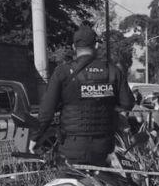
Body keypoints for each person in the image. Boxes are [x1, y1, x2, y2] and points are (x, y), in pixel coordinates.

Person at [32, 25, 134, 167]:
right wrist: (108, 105)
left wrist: (34, 139)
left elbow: (46, 112)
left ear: (74, 47)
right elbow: (128, 103)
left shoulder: (63, 72)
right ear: (96, 45)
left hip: (72, 147)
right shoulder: (113, 71)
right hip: (103, 148)